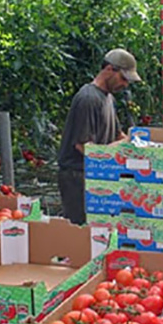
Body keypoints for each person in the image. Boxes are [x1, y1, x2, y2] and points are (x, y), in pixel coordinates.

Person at [57, 48, 142, 225]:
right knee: (80, 229)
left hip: (96, 173)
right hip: (78, 177)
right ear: (110, 69)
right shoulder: (88, 99)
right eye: (124, 78)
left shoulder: (108, 98)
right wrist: (119, 148)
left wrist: (137, 144)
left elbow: (117, 134)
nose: (125, 85)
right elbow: (84, 147)